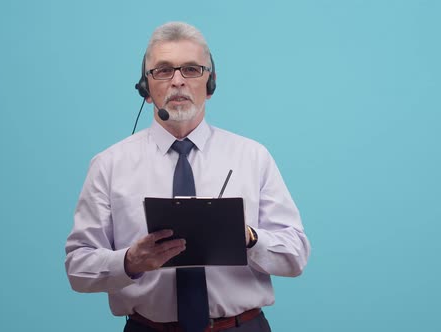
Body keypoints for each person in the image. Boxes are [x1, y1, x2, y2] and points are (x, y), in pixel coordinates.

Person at [65, 21, 310, 332]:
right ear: (146, 89)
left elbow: (296, 255)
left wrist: (248, 237)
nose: (178, 81)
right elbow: (77, 267)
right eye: (163, 70)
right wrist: (130, 262)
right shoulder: (108, 165)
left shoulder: (253, 157)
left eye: (192, 70)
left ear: (210, 84)